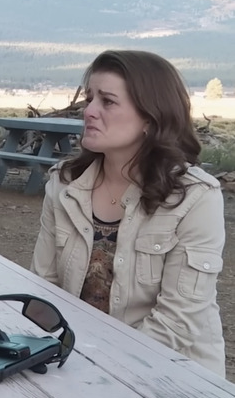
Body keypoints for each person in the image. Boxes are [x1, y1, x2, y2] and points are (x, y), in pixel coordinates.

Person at [30, 49, 226, 377]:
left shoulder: (194, 197)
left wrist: (100, 373)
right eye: (89, 98)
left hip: (172, 377)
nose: (88, 111)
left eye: (107, 101)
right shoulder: (64, 184)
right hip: (76, 365)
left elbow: (177, 323)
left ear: (150, 117)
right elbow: (44, 287)